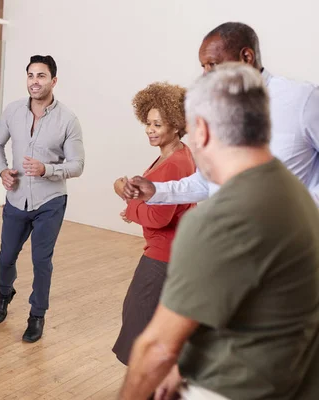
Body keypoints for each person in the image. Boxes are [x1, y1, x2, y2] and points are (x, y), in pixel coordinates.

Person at [118, 63, 319, 400]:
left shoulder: (218, 220)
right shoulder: (295, 194)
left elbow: (157, 349)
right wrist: (182, 367)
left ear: (203, 131)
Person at [117, 22, 319, 207]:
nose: (206, 75)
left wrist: (297, 215)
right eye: (203, 67)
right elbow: (207, 182)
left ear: (246, 58)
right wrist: (157, 190)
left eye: (212, 64)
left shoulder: (303, 99)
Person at [0, 55, 85, 343]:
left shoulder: (68, 119)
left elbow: (77, 165)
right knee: (6, 257)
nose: (35, 81)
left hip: (50, 201)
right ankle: (5, 293)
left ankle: (37, 315)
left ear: (53, 81)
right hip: (17, 198)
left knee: (41, 260)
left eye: (41, 76)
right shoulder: (13, 111)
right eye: (31, 75)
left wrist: (48, 169)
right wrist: (2, 169)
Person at [111, 83, 196, 365]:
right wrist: (133, 200)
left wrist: (131, 205)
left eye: (158, 124)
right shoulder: (174, 154)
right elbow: (154, 201)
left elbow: (159, 217)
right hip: (174, 254)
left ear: (176, 125)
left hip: (162, 256)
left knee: (138, 319)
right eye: (148, 123)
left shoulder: (174, 162)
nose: (150, 129)